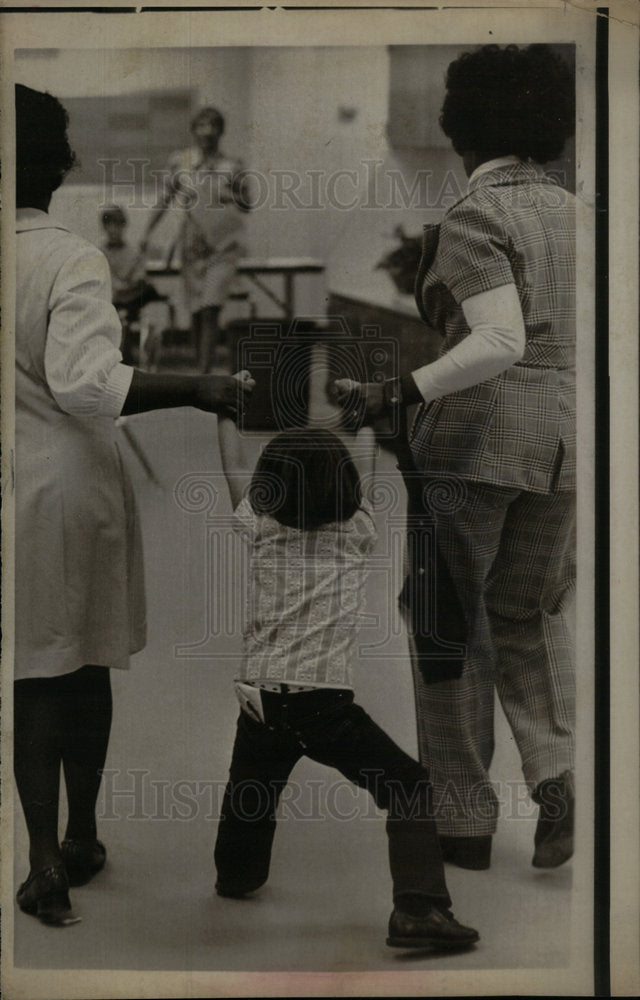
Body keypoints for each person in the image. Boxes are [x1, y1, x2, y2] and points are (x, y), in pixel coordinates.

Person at [13, 83, 253, 927]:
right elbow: (86, 386)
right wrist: (200, 386)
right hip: (70, 489)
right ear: (59, 166)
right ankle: (78, 837)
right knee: (84, 660)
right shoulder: (67, 256)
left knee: (33, 668)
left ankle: (47, 858)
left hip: (13, 488)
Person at [335, 44, 576, 871]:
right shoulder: (585, 217)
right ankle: (556, 777)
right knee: (528, 615)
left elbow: (498, 340)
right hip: (565, 447)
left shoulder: (478, 217)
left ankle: (464, 821)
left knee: (447, 627)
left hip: (473, 445)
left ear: (463, 128)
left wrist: (397, 391)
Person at [212, 414, 480, 952]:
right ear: (346, 488)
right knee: (407, 784)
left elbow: (234, 468)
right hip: (322, 704)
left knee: (252, 790)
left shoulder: (262, 526)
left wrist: (226, 411)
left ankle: (236, 875)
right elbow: (362, 463)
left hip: (260, 697)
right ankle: (418, 908)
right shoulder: (357, 529)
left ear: (269, 490)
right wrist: (364, 417)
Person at [140, 106, 252, 373]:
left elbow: (247, 204)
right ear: (194, 131)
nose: (207, 131)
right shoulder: (181, 162)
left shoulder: (232, 166)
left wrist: (230, 195)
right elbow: (165, 199)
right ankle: (199, 367)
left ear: (220, 131)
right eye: (201, 125)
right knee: (196, 310)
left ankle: (205, 372)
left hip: (222, 245)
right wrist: (147, 232)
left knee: (211, 306)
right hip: (192, 245)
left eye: (213, 125)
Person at [100, 204, 165, 367]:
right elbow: (103, 277)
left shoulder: (133, 252)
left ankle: (140, 360)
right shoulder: (99, 252)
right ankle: (120, 358)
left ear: (124, 226)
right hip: (110, 300)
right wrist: (118, 285)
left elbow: (140, 276)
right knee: (119, 314)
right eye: (110, 225)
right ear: (104, 228)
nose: (114, 229)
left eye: (118, 225)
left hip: (132, 300)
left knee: (146, 310)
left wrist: (129, 283)